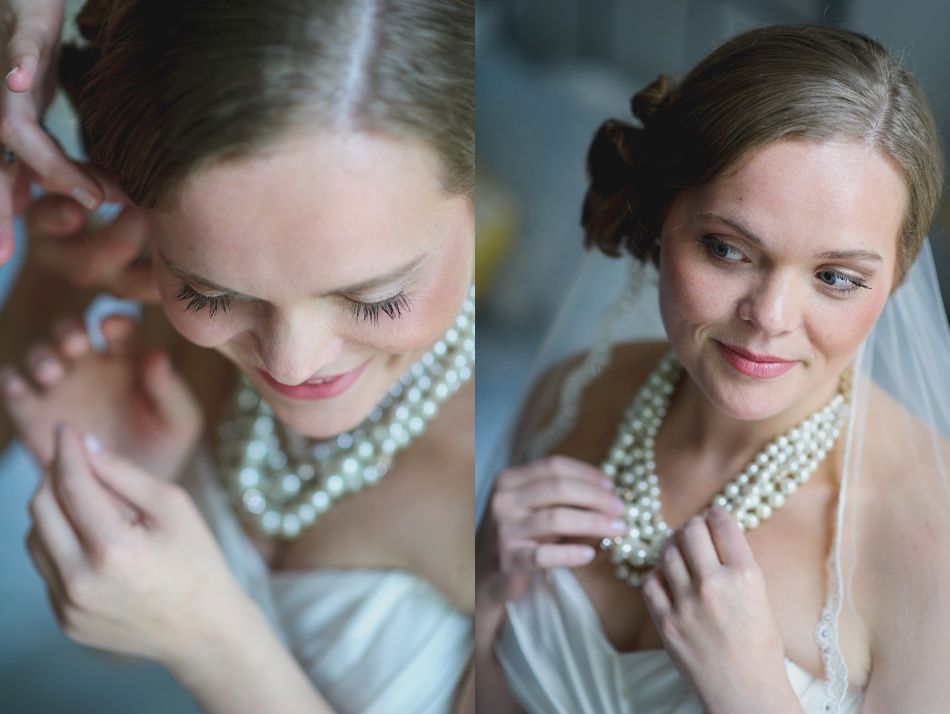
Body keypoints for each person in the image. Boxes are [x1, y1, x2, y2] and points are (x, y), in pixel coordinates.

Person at [0, 1, 475, 713]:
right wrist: (135, 488)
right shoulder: (153, 321)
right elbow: (126, 641)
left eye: (374, 300)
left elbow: (188, 634)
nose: (290, 365)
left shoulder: (511, 485)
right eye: (210, 292)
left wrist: (211, 639)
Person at [477, 24, 950, 713]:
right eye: (728, 250)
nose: (770, 315)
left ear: (897, 282)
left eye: (835, 277)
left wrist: (750, 694)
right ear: (662, 219)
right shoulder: (570, 397)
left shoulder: (928, 534)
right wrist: (486, 593)